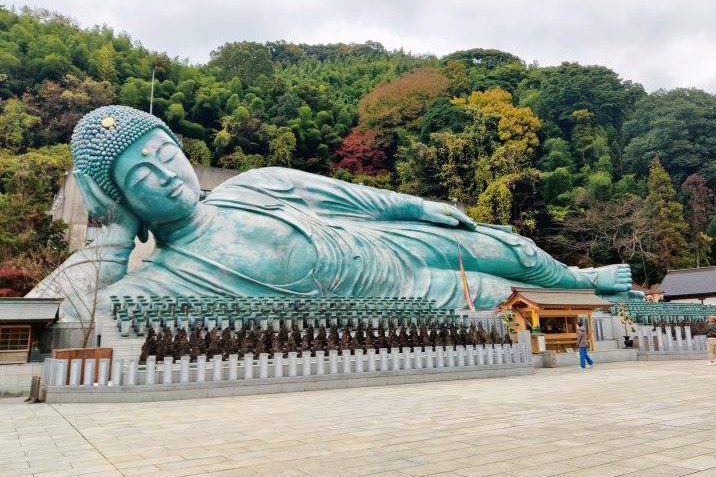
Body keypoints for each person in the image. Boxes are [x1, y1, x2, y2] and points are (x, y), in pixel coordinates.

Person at [28, 106, 637, 318]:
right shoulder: (169, 272)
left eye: (166, 154)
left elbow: (351, 196)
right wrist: (114, 242)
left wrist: (421, 204)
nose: (165, 175)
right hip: (394, 293)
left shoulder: (255, 184)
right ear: (126, 199)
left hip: (382, 241)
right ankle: (586, 300)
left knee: (505, 245)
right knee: (495, 289)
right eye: (141, 177)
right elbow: (68, 312)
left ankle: (585, 279)